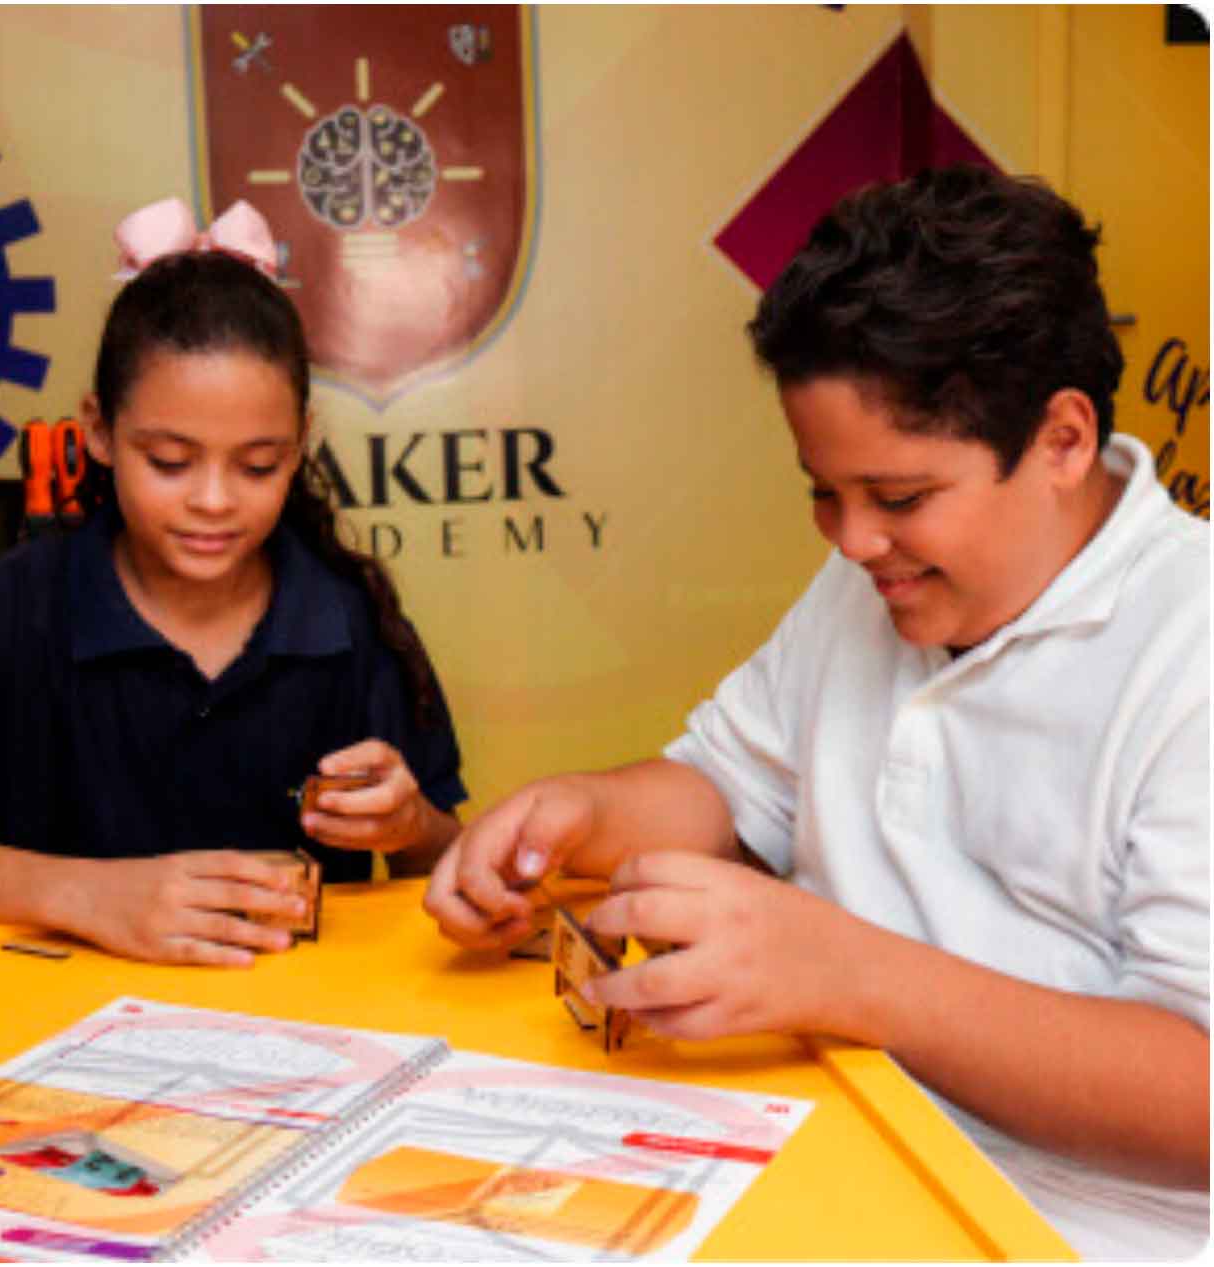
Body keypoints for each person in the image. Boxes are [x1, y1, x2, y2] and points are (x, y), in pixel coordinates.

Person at [423, 166, 1209, 1258]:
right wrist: (577, 812)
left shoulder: (1191, 650)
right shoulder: (872, 576)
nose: (849, 542)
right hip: (830, 1141)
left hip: (1071, 1226)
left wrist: (846, 973)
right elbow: (728, 787)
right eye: (821, 490)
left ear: (1063, 442)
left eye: (898, 498)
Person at [0, 202, 466, 968]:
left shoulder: (345, 613)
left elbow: (448, 861)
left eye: (258, 465)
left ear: (299, 445)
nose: (215, 500)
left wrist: (413, 825)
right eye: (169, 460)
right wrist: (88, 895)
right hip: (62, 1033)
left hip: (310, 1029)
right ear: (98, 431)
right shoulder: (18, 605)